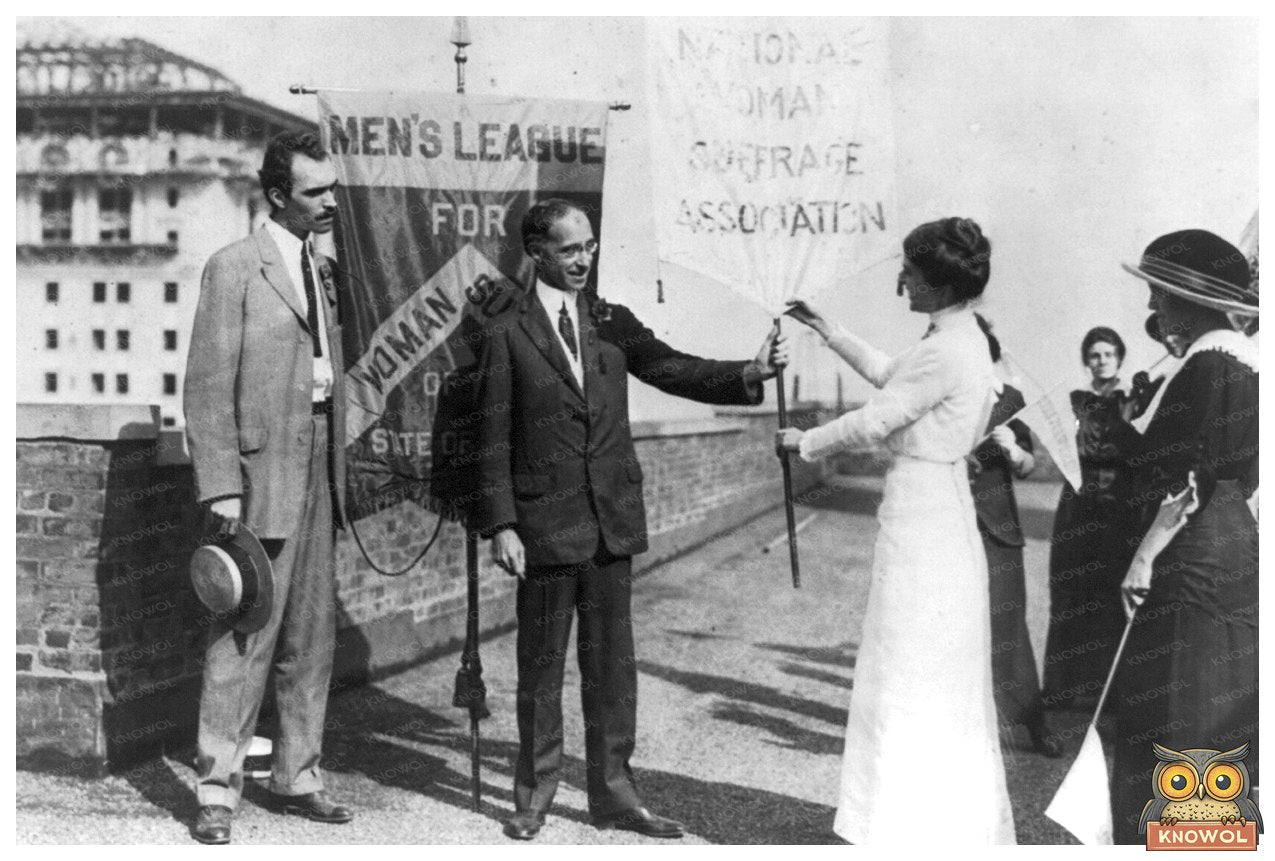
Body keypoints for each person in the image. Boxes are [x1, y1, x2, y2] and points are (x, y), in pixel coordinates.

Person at [469, 198, 788, 841]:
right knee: (541, 667)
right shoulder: (505, 331)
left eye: (589, 247)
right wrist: (502, 525)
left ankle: (615, 796)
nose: (584, 259)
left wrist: (748, 373)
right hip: (544, 527)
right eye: (569, 249)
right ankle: (532, 796)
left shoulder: (613, 322)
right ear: (537, 253)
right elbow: (492, 437)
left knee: (612, 667)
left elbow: (673, 368)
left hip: (610, 519)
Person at [778, 217, 1016, 844]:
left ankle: (904, 829)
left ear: (936, 282)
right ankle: (921, 823)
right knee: (923, 665)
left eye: (908, 273)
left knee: (910, 666)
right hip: (937, 507)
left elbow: (877, 420)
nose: (900, 284)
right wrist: (831, 331)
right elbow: (893, 376)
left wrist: (805, 441)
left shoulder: (946, 347)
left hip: (925, 518)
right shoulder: (956, 338)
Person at [184, 131, 352, 844]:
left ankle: (297, 774)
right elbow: (205, 385)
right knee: (244, 631)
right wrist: (221, 486)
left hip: (319, 467)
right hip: (259, 477)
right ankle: (216, 787)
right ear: (278, 195)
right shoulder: (235, 268)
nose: (330, 202)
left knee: (311, 634)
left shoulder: (325, 270)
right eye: (316, 192)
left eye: (333, 188)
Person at [1112, 229, 1258, 843]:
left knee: (1178, 704)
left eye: (1158, 294)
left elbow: (1187, 478)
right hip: (1235, 547)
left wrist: (1143, 557)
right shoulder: (1246, 363)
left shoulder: (1206, 364)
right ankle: (1209, 841)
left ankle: (1175, 844)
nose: (1152, 308)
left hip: (1192, 551)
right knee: (1215, 707)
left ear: (1186, 300)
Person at [967, 315, 1059, 758]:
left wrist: (1012, 448)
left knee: (1007, 624)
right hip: (948, 519)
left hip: (998, 526)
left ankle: (1030, 724)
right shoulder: (938, 393)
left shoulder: (1011, 400)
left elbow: (1029, 467)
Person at [1040, 326, 1144, 711]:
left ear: (1120, 359)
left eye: (1108, 355)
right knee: (1070, 590)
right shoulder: (1076, 401)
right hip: (1078, 504)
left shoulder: (1133, 400)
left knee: (1108, 592)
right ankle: (1062, 687)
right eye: (1095, 355)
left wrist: (1133, 413)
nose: (1101, 361)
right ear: (1087, 361)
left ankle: (1107, 693)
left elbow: (1137, 449)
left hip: (1119, 505)